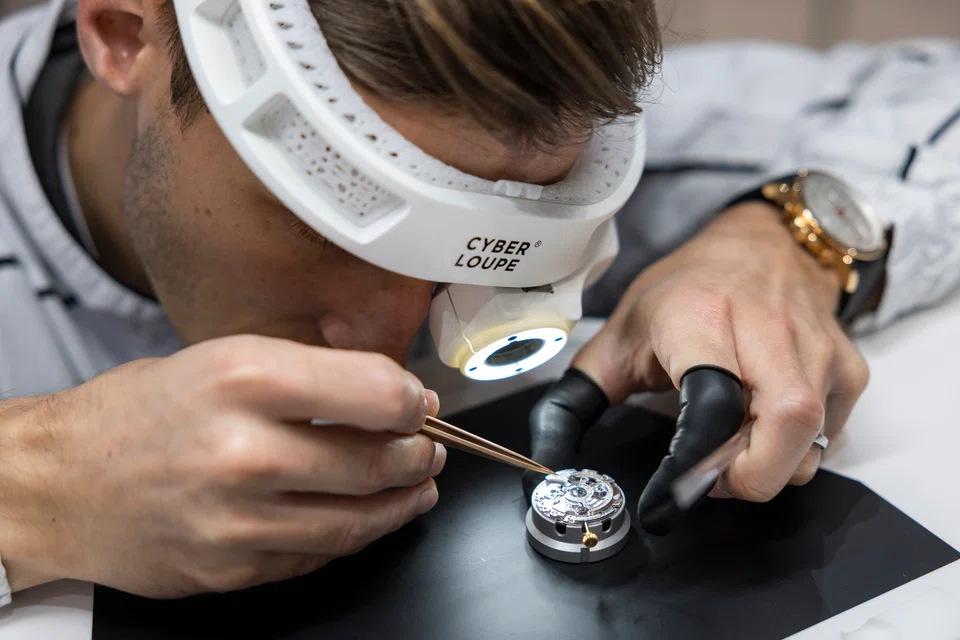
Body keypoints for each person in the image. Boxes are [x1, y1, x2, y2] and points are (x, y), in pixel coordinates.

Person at [0, 0, 958, 604]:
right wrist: (25, 490)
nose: (388, 346)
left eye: (479, 255)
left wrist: (783, 240)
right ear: (126, 33)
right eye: (327, 231)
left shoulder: (517, 114)